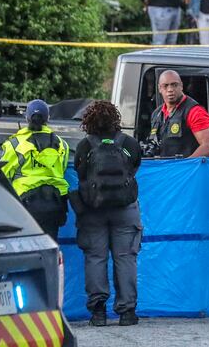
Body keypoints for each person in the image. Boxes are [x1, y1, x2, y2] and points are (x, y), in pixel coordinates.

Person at [72, 101, 143, 327]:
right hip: (125, 209)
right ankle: (127, 312)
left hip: (93, 210)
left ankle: (98, 313)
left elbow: (80, 171)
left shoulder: (85, 145)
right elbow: (134, 166)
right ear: (116, 119)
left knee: (95, 258)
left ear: (88, 122)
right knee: (125, 258)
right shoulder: (128, 143)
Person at [1, 100, 69, 242]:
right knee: (49, 251)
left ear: (26, 118)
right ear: (48, 119)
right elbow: (61, 170)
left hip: (25, 206)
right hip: (54, 205)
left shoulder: (14, 144)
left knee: (26, 250)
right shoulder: (62, 144)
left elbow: (4, 174)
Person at [147, 70, 209, 158]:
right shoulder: (157, 114)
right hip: (164, 168)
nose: (170, 89)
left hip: (186, 169)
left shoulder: (194, 111)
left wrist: (184, 166)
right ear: (159, 88)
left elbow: (208, 147)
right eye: (165, 86)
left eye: (174, 85)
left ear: (181, 86)